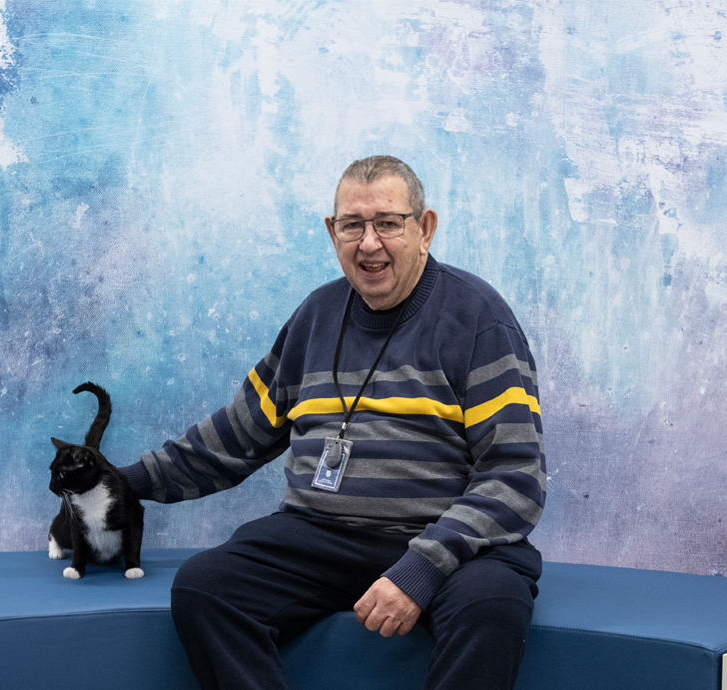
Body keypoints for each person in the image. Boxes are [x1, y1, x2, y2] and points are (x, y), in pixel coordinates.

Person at [120, 155, 546, 690]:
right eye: (353, 225)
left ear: (425, 227)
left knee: (491, 607)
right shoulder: (315, 316)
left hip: (449, 543)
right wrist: (121, 483)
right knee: (206, 588)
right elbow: (238, 433)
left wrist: (421, 568)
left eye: (388, 223)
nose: (369, 243)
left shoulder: (480, 318)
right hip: (322, 536)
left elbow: (515, 478)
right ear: (332, 231)